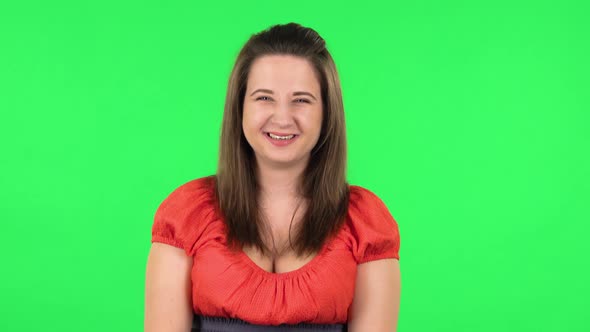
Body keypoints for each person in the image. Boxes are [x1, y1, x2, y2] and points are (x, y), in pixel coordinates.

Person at [144, 22, 401, 332]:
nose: (282, 117)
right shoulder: (186, 214)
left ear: (327, 112)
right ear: (239, 108)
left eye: (302, 100)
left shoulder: (365, 223)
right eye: (264, 98)